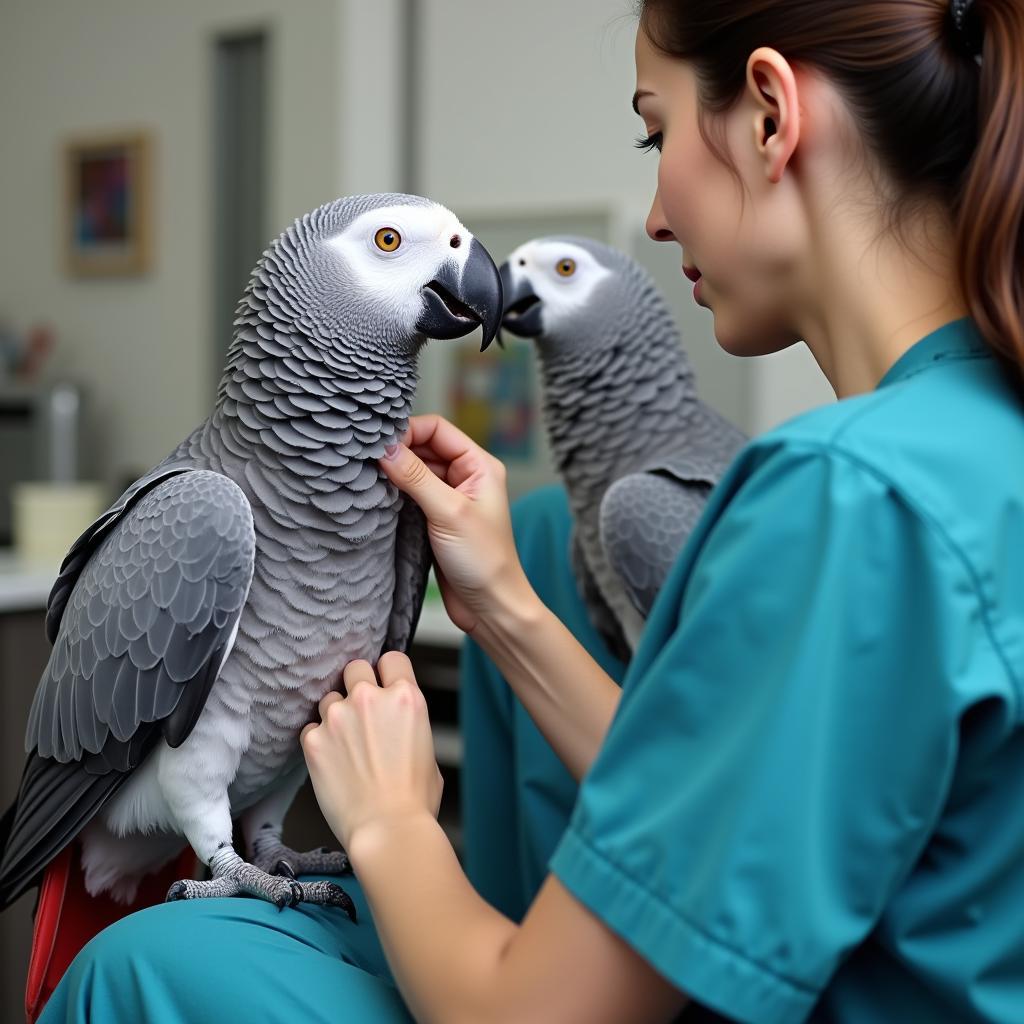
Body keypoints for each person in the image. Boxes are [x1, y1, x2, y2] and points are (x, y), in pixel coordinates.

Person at [40, 1, 1024, 1021]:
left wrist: (389, 819)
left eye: (657, 130)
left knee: (143, 963)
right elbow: (720, 802)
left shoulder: (842, 493)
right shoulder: (974, 437)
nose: (652, 213)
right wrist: (504, 603)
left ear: (771, 117)